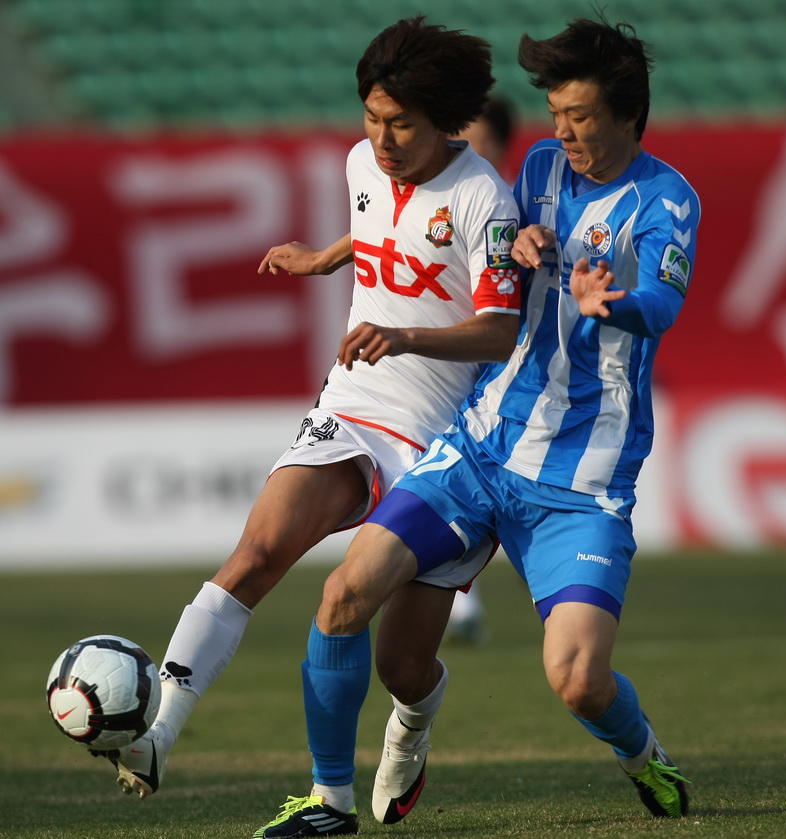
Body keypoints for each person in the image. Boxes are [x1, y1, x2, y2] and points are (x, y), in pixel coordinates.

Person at [90, 11, 522, 825]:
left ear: (445, 121)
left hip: (450, 445)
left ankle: (414, 720)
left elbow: (500, 330)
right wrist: (328, 255)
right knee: (257, 552)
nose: (382, 138)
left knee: (402, 666)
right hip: (355, 405)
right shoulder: (362, 163)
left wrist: (405, 334)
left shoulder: (483, 200)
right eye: (372, 116)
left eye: (402, 124)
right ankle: (163, 736)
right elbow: (384, 231)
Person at [274, 14, 700, 835]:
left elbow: (662, 302)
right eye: (556, 113)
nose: (562, 131)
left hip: (579, 480)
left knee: (578, 680)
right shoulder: (539, 166)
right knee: (347, 599)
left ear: (627, 115)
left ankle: (644, 754)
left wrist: (612, 302)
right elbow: (482, 243)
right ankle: (328, 802)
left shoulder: (668, 199)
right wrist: (527, 239)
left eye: (579, 116)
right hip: (481, 445)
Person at [446, 95, 518, 645]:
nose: (468, 148)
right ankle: (460, 604)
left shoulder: (509, 206)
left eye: (479, 139)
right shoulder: (445, 196)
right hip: (446, 359)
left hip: (494, 365)